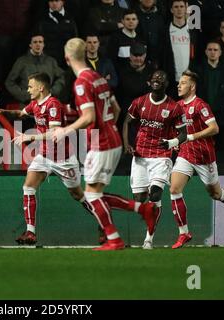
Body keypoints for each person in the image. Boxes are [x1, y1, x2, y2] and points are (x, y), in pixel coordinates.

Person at [0, 72, 156, 245]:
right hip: (44, 156)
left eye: (30, 86)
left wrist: (28, 137)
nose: (28, 89)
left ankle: (104, 224)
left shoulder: (53, 105)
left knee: (80, 196)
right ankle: (30, 232)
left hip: (63, 159)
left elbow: (54, 133)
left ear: (41, 87)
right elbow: (21, 113)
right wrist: (2, 111)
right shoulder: (35, 104)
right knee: (28, 187)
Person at [52, 38, 158, 251]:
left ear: (66, 58)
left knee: (90, 195)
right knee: (94, 193)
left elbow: (90, 116)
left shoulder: (81, 82)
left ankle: (115, 238)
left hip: (102, 143)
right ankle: (143, 209)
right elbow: (116, 109)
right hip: (113, 137)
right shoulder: (98, 78)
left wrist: (65, 130)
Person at [169, 70, 224, 248]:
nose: (179, 85)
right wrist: (177, 141)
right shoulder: (177, 106)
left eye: (183, 83)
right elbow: (179, 130)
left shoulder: (200, 105)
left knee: (215, 194)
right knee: (174, 188)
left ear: (192, 86)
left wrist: (192, 137)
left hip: (204, 157)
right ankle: (184, 233)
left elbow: (214, 128)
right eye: (179, 82)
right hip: (185, 155)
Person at [122, 70, 188, 249]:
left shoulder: (174, 107)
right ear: (149, 82)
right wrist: (127, 144)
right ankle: (149, 219)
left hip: (161, 156)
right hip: (141, 156)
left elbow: (184, 133)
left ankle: (148, 238)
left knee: (156, 193)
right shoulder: (139, 102)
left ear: (167, 84)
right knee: (139, 198)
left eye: (161, 78)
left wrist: (172, 142)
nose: (157, 79)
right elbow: (127, 122)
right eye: (154, 77)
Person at [4, 33, 66, 106]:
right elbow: (9, 82)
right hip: (28, 105)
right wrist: (24, 95)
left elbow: (62, 77)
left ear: (43, 44)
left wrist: (52, 92)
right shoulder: (22, 61)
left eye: (40, 42)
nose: (38, 45)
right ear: (30, 45)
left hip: (48, 104)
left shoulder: (51, 61)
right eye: (35, 42)